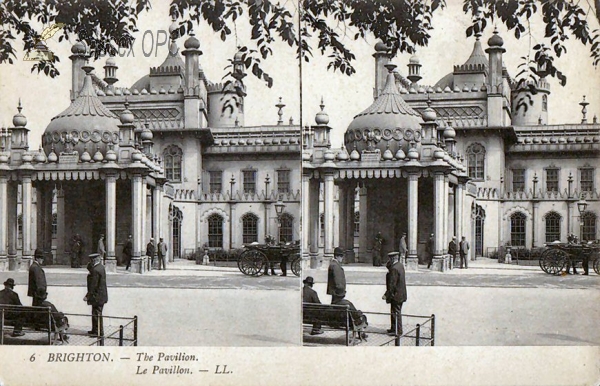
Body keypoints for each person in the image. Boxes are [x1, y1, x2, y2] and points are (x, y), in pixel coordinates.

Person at [383, 252, 407, 334]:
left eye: (389, 259)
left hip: (396, 295)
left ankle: (398, 331)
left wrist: (386, 295)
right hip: (401, 294)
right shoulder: (400, 265)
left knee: (396, 313)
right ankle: (393, 328)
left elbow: (392, 284)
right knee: (394, 312)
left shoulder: (394, 269)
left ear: (392, 259)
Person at [84, 254, 108, 338]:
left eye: (91, 260)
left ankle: (98, 332)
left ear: (94, 260)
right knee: (96, 313)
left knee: (96, 314)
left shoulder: (95, 270)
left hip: (97, 296)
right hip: (101, 296)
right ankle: (95, 330)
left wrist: (87, 296)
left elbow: (93, 285)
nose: (90, 262)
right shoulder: (101, 267)